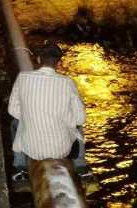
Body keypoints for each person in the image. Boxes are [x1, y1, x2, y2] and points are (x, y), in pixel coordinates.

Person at [8, 44, 86, 180]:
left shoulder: (23, 77)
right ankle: (80, 167)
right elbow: (80, 119)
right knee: (79, 128)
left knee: (15, 123)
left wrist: (30, 116)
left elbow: (12, 110)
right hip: (61, 151)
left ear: (38, 59)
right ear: (59, 63)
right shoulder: (68, 83)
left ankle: (20, 167)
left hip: (31, 149)